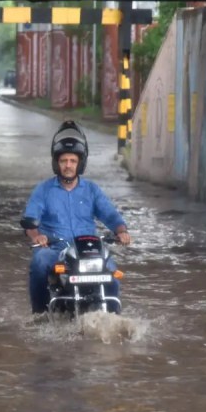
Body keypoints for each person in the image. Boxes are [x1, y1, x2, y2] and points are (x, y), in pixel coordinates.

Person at [20, 121, 131, 314]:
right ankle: (38, 315)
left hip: (88, 250)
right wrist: (37, 236)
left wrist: (121, 231)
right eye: (64, 161)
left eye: (72, 161)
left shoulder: (91, 190)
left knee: (112, 275)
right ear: (57, 163)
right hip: (55, 249)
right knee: (39, 264)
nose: (68, 166)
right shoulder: (43, 190)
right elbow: (30, 220)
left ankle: (114, 318)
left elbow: (110, 214)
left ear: (80, 163)